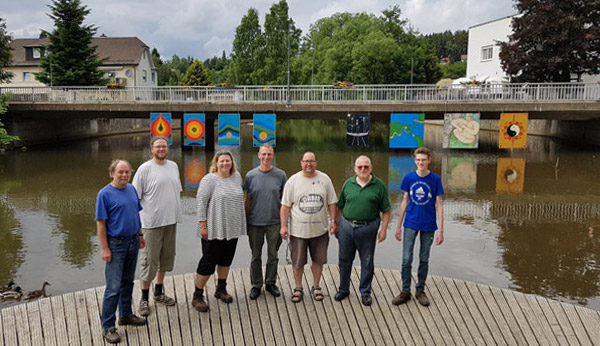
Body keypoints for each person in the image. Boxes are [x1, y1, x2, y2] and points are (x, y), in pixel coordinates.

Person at [96, 160, 146, 344]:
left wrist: (140, 234)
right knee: (113, 288)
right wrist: (104, 248)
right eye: (120, 172)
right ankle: (108, 326)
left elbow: (135, 213)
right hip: (115, 244)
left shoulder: (132, 189)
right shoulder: (104, 194)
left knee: (127, 282)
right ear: (112, 173)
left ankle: (125, 314)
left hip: (133, 240)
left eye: (127, 172)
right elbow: (101, 223)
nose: (124, 175)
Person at [132, 136, 182, 316]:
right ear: (151, 149)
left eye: (164, 146)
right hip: (151, 224)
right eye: (158, 146)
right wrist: (137, 227)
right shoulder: (144, 169)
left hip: (170, 221)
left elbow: (175, 191)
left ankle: (159, 292)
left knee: (165, 260)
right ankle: (144, 298)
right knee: (148, 261)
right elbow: (134, 198)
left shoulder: (173, 166)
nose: (161, 149)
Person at [192, 151, 246, 312]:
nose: (225, 164)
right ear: (216, 163)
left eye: (227, 161)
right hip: (214, 228)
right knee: (208, 261)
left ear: (232, 162)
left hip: (232, 227)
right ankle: (198, 294)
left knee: (226, 259)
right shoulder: (209, 180)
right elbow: (201, 204)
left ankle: (221, 288)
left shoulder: (236, 177)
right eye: (221, 161)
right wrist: (203, 226)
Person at [280, 151, 337, 303]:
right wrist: (284, 226)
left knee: (318, 260)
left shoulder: (325, 179)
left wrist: (333, 221)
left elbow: (332, 202)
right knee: (298, 262)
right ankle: (298, 287)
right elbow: (285, 207)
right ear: (301, 163)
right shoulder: (293, 181)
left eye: (311, 161)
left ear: (316, 162)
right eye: (306, 161)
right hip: (299, 231)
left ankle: (316, 286)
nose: (308, 164)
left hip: (320, 230)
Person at [335, 155, 391, 306]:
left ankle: (365, 292)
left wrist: (384, 230)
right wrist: (336, 225)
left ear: (371, 168)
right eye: (360, 167)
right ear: (355, 169)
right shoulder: (348, 183)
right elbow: (339, 206)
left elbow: (386, 210)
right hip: (346, 226)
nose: (363, 169)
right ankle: (343, 289)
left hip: (368, 228)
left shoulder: (379, 185)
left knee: (367, 261)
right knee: (344, 260)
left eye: (366, 166)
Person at [392, 147, 444, 307]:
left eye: (423, 160)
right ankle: (405, 291)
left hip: (428, 225)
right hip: (410, 223)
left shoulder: (435, 179)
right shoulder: (409, 178)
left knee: (424, 259)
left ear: (429, 160)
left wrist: (441, 230)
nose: (421, 162)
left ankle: (420, 290)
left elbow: (439, 204)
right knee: (406, 259)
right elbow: (405, 201)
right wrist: (398, 225)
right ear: (415, 161)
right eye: (418, 160)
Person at [243, 144, 287, 300]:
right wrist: (246, 221)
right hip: (255, 222)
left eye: (269, 154)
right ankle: (256, 285)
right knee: (256, 255)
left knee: (273, 255)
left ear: (273, 156)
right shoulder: (250, 176)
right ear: (259, 155)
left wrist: (284, 223)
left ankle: (270, 282)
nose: (266, 157)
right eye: (264, 154)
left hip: (275, 222)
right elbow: (248, 200)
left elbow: (285, 201)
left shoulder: (281, 175)